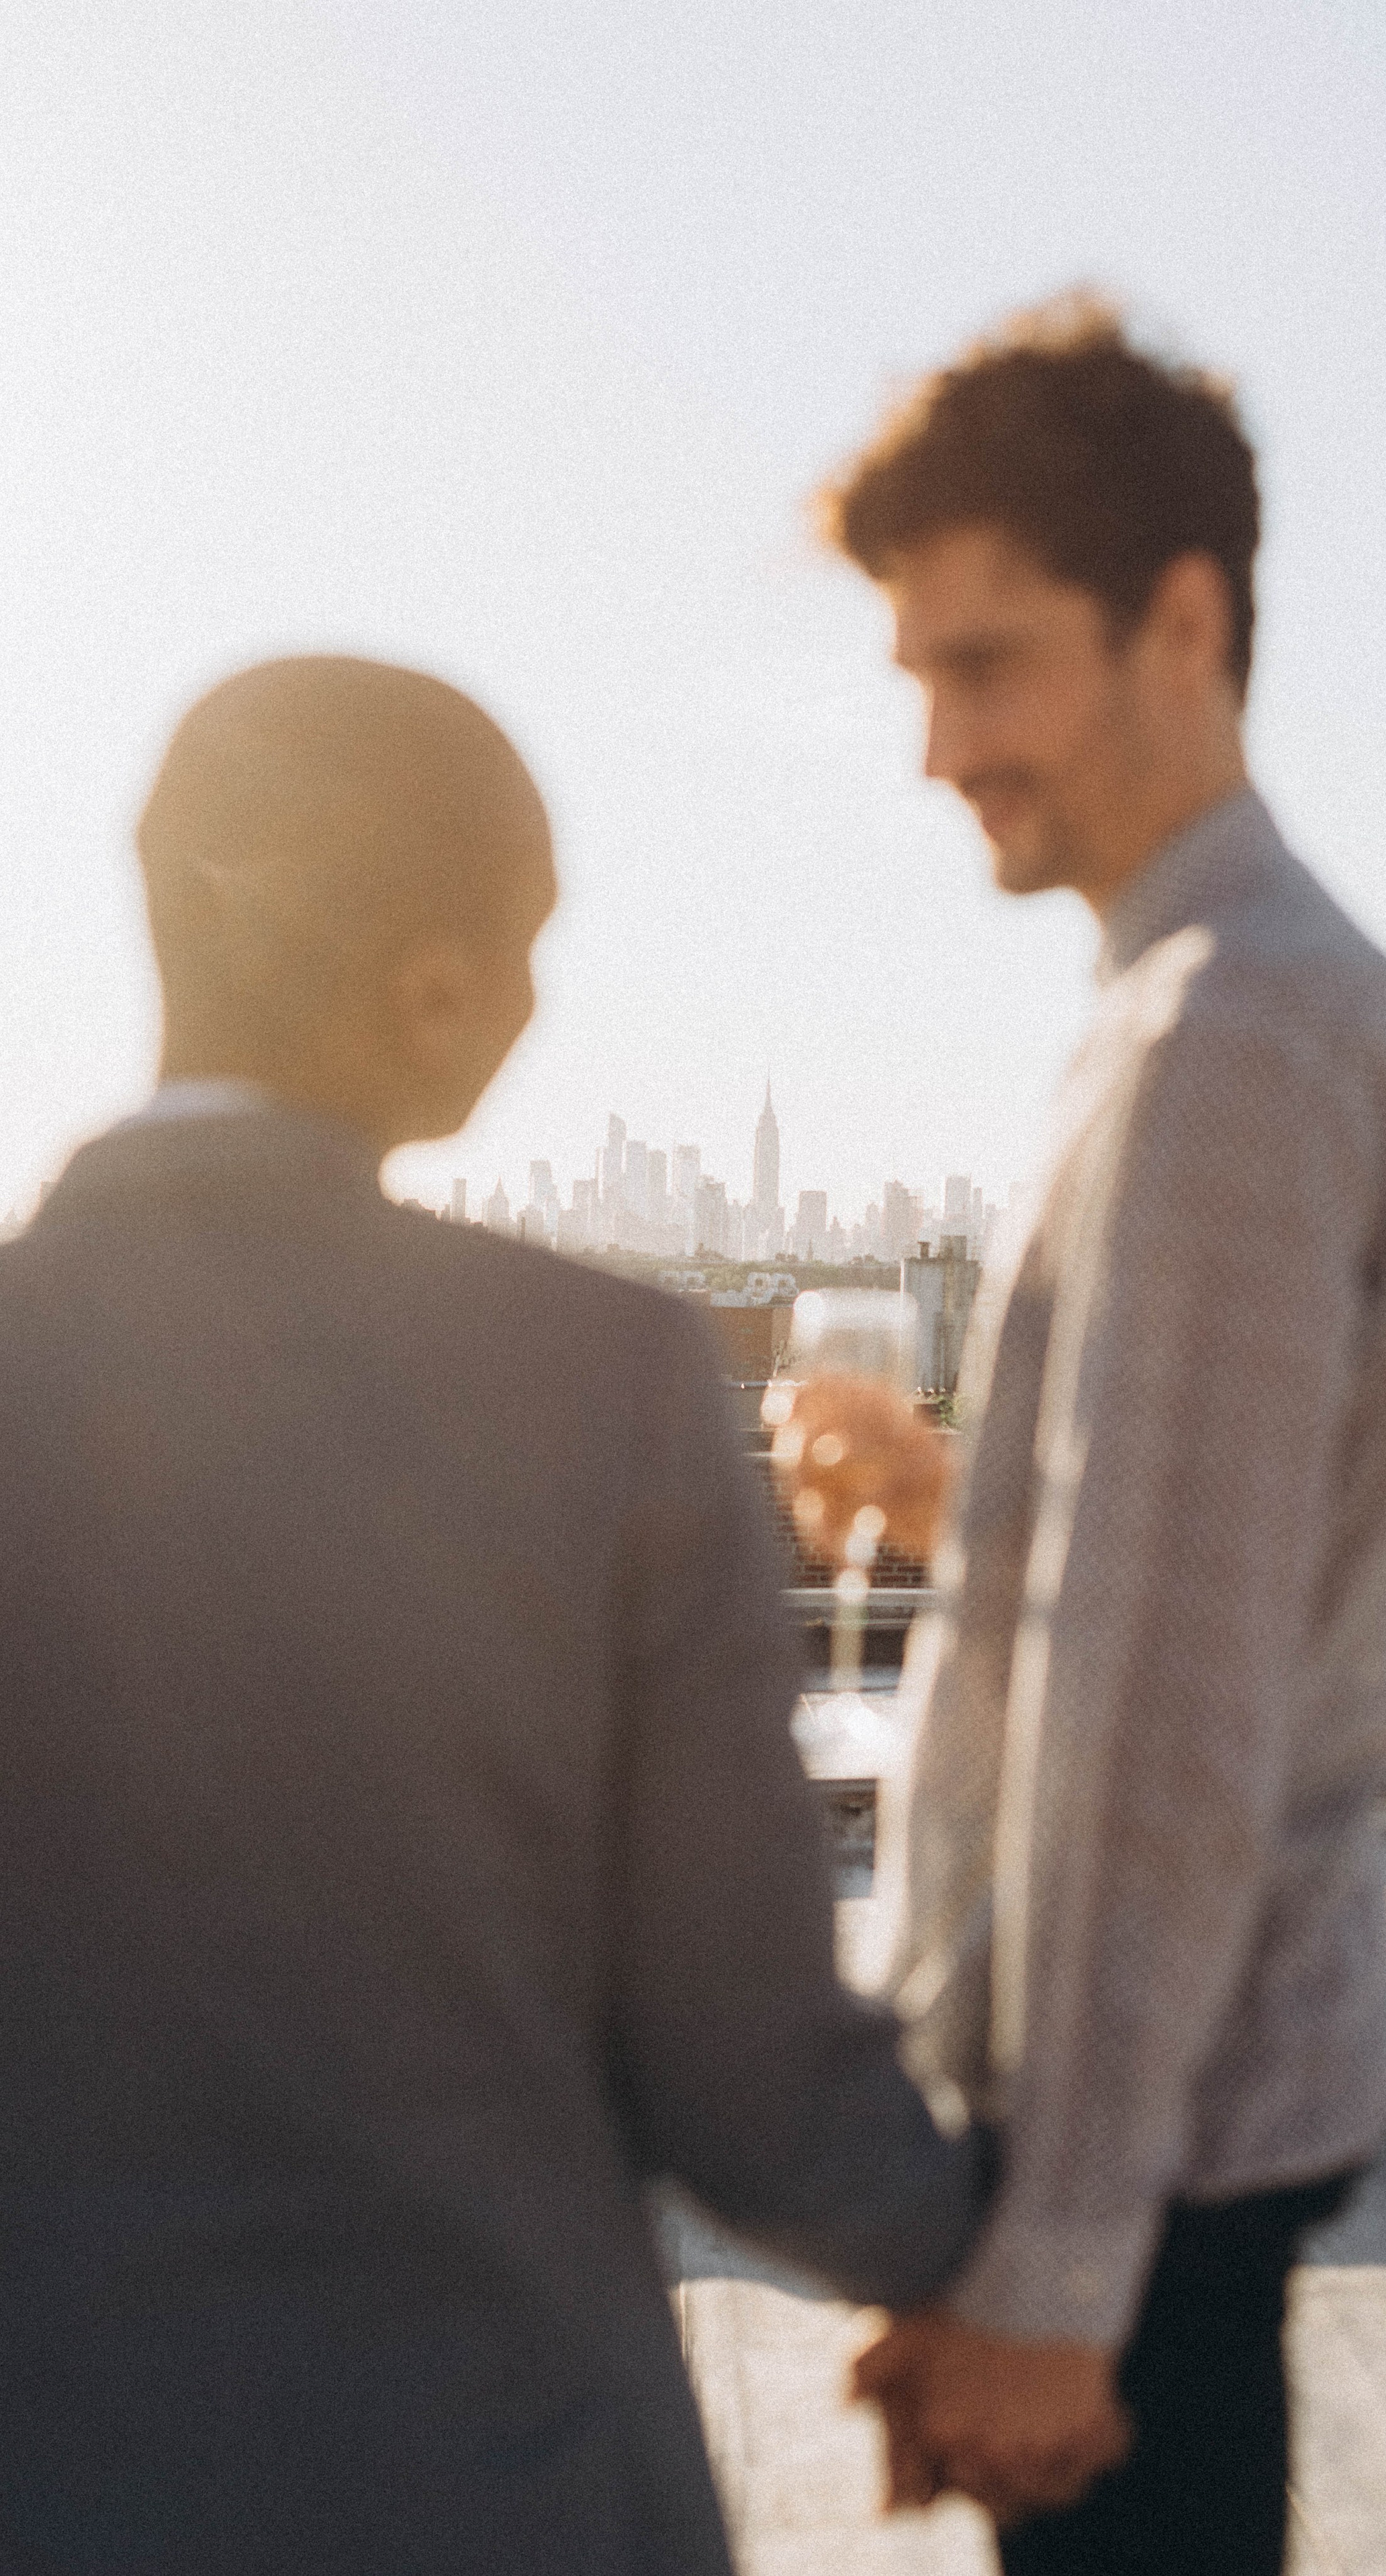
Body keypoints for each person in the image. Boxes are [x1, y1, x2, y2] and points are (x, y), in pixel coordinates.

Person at [0, 656, 986, 2575]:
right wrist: (1027, 2273)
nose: (537, 1005)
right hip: (495, 2488)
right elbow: (747, 2064)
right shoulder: (597, 1391)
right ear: (432, 974)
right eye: (529, 947)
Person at [780, 300, 1386, 2573]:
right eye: (916, 677)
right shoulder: (1233, 1006)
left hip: (1152, 2162)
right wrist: (969, 1510)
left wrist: (1058, 2269)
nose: (933, 747)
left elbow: (1172, 1713)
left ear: (1183, 622)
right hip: (1189, 2129)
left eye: (981, 666)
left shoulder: (1230, 1051)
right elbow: (1193, 1580)